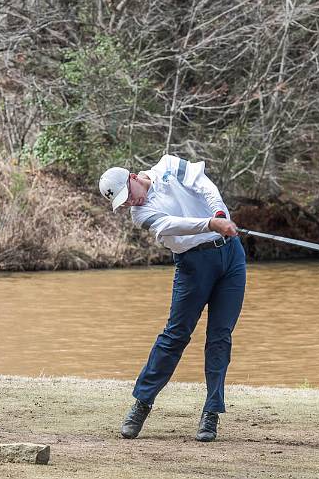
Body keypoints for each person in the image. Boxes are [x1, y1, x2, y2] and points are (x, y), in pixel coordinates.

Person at [98, 154, 247, 442]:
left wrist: (218, 214)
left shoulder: (168, 166)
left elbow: (204, 185)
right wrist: (209, 225)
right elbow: (170, 225)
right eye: (123, 203)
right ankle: (142, 403)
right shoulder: (141, 214)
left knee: (220, 335)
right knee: (175, 335)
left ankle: (211, 413)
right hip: (194, 266)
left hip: (231, 257)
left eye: (128, 195)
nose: (130, 203)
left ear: (132, 178)